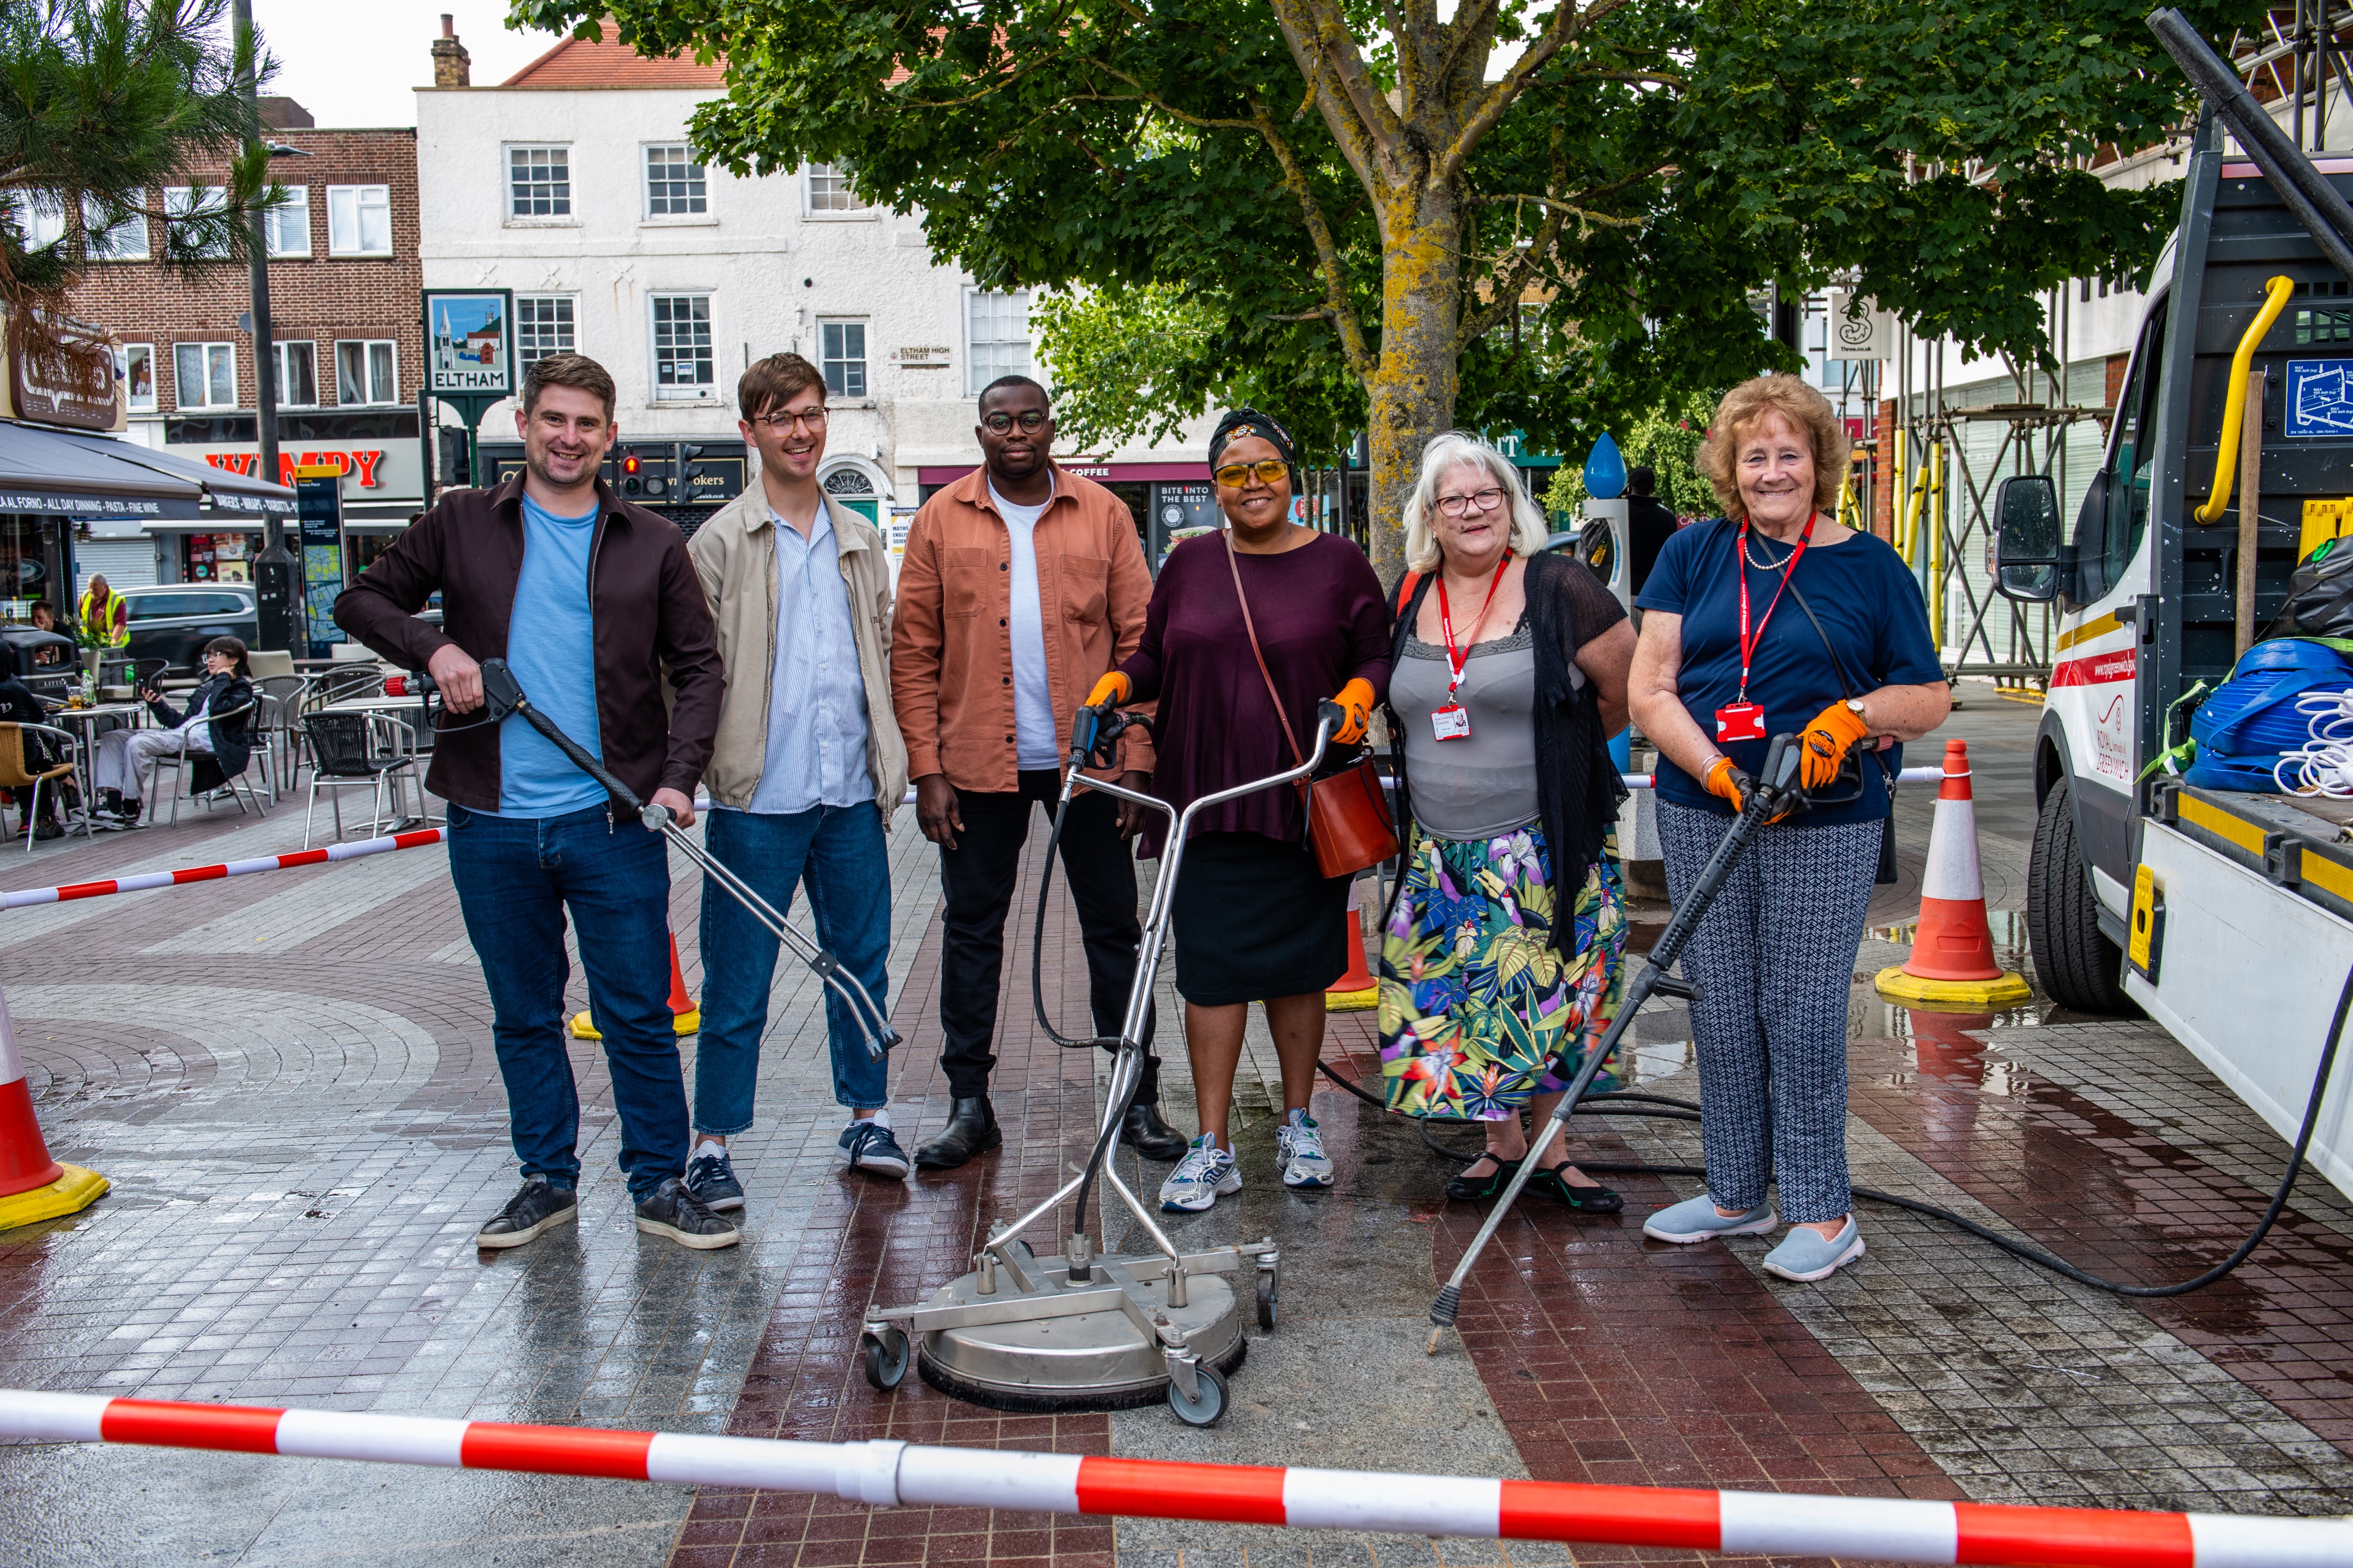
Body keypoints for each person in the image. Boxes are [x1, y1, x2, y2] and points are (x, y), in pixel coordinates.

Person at [335, 352, 735, 1253]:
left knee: (637, 1011)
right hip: (491, 821)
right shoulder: (462, 522)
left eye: (586, 423)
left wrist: (678, 777)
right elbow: (358, 597)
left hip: (613, 819)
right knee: (524, 1012)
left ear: (609, 433)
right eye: (553, 420)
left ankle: (660, 1182)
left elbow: (701, 668)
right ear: (524, 424)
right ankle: (545, 1180)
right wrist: (432, 650)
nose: (569, 438)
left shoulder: (652, 541)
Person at [1627, 373, 1948, 1283]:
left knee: (1800, 1014)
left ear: (1820, 463)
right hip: (1705, 808)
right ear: (1731, 468)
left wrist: (1855, 714)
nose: (1773, 471)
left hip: (1826, 817)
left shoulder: (1871, 567)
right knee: (1723, 1009)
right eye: (1754, 455)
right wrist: (1715, 769)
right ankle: (1737, 1192)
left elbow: (1927, 695)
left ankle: (1822, 1209)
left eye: (1789, 454)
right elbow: (1650, 688)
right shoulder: (1692, 556)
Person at [1090, 408, 1389, 1213]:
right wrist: (1120, 682)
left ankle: (1298, 1124)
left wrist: (1361, 694)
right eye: (1234, 472)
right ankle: (1213, 1144)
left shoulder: (1338, 562)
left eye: (1267, 468)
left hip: (1300, 795)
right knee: (1211, 975)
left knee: (1300, 968)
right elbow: (1156, 649)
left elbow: (1375, 649)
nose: (1252, 484)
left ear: (1289, 475)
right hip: (1205, 796)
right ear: (1213, 484)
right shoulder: (1188, 563)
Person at [889, 374, 1187, 1170]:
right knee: (971, 931)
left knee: (1114, 931)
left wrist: (1137, 751)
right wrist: (927, 770)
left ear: (1050, 427)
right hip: (974, 765)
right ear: (979, 430)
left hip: (1088, 764)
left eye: (1029, 419)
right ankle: (968, 1103)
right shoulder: (938, 519)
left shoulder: (1103, 513)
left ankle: (1136, 1096)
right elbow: (913, 653)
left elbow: (1142, 641)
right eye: (998, 420)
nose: (1015, 432)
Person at [1378, 433, 1637, 1212]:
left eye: (1487, 495)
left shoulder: (1560, 585)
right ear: (1430, 515)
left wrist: (1564, 749)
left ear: (1511, 502)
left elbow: (1626, 687)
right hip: (1440, 855)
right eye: (1454, 500)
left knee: (1550, 995)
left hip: (1540, 844)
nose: (1472, 511)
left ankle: (1556, 1152)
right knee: (1459, 999)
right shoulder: (1410, 594)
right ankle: (1502, 1145)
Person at [685, 352, 909, 1199]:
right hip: (756, 800)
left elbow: (880, 656)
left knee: (862, 963)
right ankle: (713, 1145)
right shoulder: (717, 544)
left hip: (850, 795)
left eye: (811, 413)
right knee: (737, 980)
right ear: (750, 433)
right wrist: (699, 771)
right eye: (780, 417)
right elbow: (691, 673)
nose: (800, 431)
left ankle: (868, 1117)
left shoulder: (857, 539)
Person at [90, 636, 252, 824]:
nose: (210, 660)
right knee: (112, 737)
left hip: (203, 742)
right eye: (207, 656)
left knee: (137, 743)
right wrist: (158, 705)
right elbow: (180, 722)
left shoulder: (241, 688)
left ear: (234, 660)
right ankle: (113, 804)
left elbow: (219, 708)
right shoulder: (208, 688)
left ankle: (130, 805)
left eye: (215, 655)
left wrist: (223, 678)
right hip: (183, 734)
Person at [1625, 466, 1679, 599]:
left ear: (1628, 488)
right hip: (1655, 595)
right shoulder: (1668, 518)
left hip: (1623, 593)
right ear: (1653, 490)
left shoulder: (1619, 515)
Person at [76, 576, 127, 649]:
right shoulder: (85, 596)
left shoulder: (116, 600)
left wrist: (112, 642)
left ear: (105, 587)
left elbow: (121, 624)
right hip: (90, 644)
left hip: (108, 645)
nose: (92, 591)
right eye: (90, 588)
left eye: (95, 589)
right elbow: (76, 615)